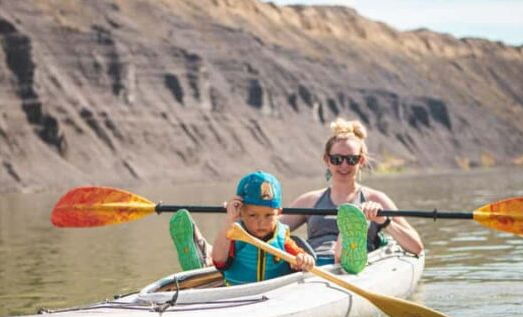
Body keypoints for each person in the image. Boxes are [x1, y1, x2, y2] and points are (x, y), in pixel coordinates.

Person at [280, 118, 424, 274]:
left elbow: (416, 247)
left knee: (348, 251)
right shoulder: (309, 200)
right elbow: (270, 228)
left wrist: (383, 220)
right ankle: (341, 248)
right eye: (337, 159)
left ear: (360, 161)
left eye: (351, 160)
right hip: (313, 265)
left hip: (355, 269)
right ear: (327, 160)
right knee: (285, 238)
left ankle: (344, 251)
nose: (344, 165)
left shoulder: (375, 199)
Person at [169, 171, 315, 285]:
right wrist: (229, 220)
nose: (261, 222)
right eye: (253, 216)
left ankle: (200, 252)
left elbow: (300, 255)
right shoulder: (236, 234)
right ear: (241, 212)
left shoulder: (283, 238)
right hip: (239, 293)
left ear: (279, 212)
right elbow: (219, 260)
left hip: (274, 294)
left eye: (268, 215)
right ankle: (199, 253)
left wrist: (305, 259)